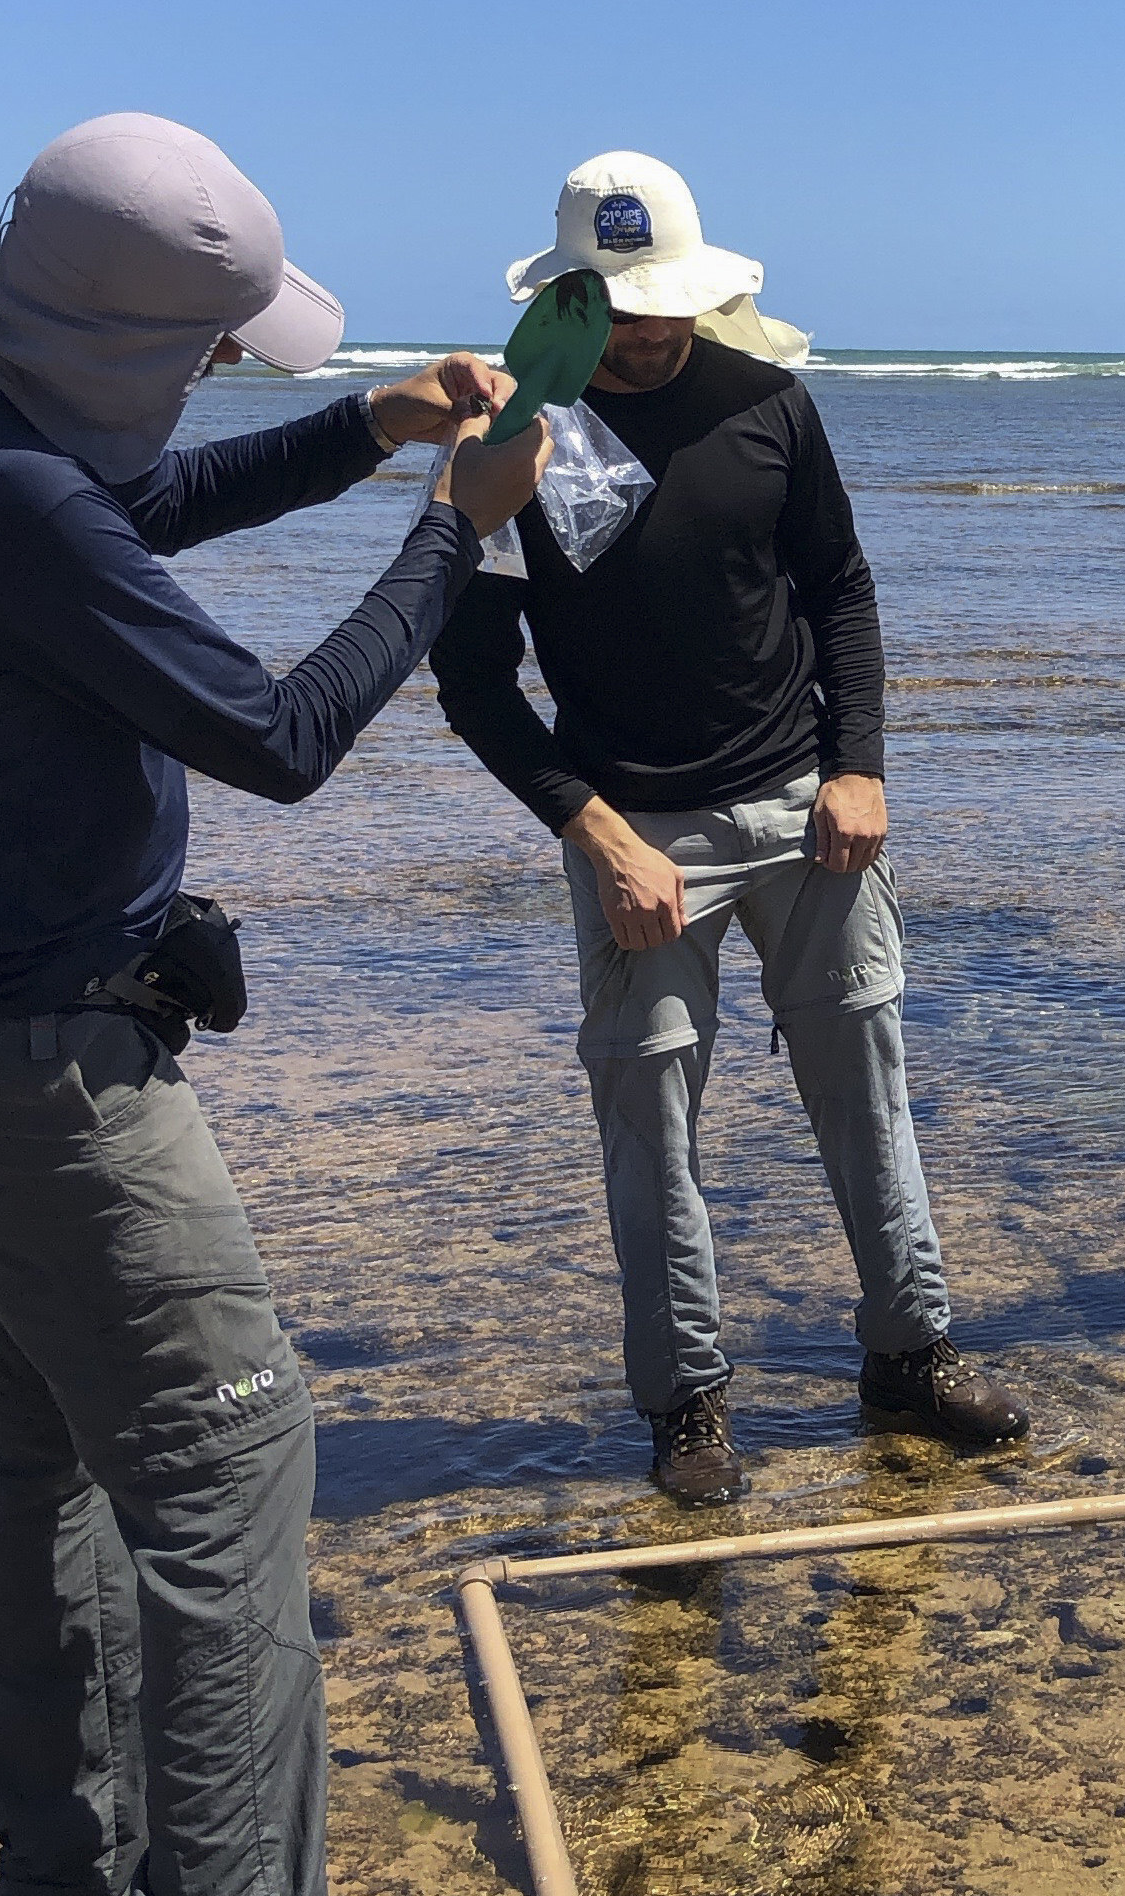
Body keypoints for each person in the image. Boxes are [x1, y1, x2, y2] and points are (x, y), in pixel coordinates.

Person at [0, 115, 547, 1896]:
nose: (225, 377)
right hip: (48, 1079)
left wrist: (361, 430)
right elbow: (282, 737)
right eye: (211, 353)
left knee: (44, 1475)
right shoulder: (18, 509)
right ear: (117, 342)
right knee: (230, 1481)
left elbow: (111, 515)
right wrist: (454, 525)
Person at [430, 151, 1029, 1507]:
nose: (649, 330)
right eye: (622, 304)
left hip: (804, 814)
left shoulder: (769, 402)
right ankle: (689, 1399)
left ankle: (910, 1354)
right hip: (637, 838)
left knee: (870, 1098)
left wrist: (858, 766)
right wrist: (598, 834)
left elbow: (842, 589)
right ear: (572, 294)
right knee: (650, 1124)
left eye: (667, 303)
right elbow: (472, 680)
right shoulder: (521, 434)